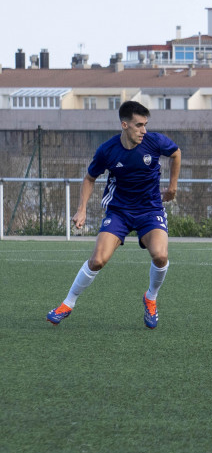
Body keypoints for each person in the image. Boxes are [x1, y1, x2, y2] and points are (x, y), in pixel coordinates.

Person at [47, 101, 181, 329]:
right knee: (97, 260)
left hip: (150, 209)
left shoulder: (154, 141)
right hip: (119, 211)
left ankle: (151, 298)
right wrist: (81, 209)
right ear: (125, 124)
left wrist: (172, 186)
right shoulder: (107, 150)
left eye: (146, 125)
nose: (144, 130)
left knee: (160, 256)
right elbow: (90, 178)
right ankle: (67, 304)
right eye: (139, 125)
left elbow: (176, 153)